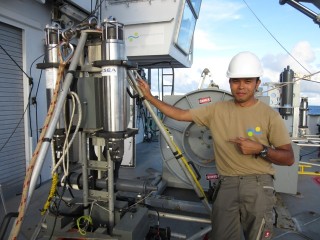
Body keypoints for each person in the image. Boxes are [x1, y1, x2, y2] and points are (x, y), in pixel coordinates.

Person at [138, 51, 295, 240]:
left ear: (257, 83)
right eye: (236, 81)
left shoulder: (270, 115)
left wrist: (260, 149)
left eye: (247, 81)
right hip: (226, 183)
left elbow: (288, 158)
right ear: (230, 82)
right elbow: (180, 114)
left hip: (258, 185)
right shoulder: (216, 110)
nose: (241, 87)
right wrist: (148, 96)